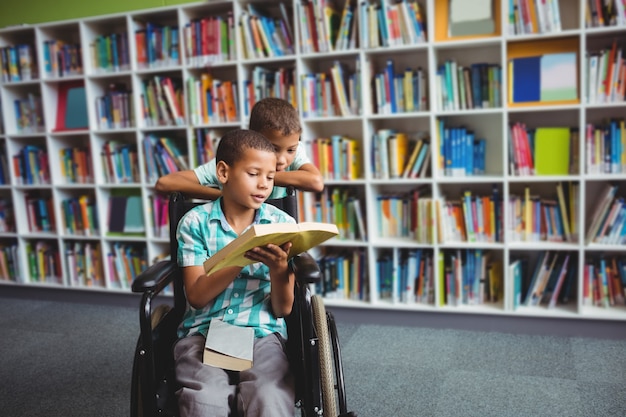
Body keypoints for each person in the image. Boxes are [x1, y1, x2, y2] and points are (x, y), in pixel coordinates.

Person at [174, 129, 296, 417]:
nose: (264, 184)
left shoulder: (280, 223)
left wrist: (279, 269)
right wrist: (239, 256)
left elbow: (283, 309)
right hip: (203, 331)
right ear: (223, 172)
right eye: (254, 173)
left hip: (262, 333)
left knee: (270, 395)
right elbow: (197, 296)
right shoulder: (195, 223)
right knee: (205, 398)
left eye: (270, 176)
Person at [155, 97, 324, 199]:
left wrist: (262, 177)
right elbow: (165, 184)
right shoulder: (236, 160)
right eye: (273, 148)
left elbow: (316, 182)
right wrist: (223, 196)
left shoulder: (295, 150)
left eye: (290, 150)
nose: (281, 160)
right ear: (253, 138)